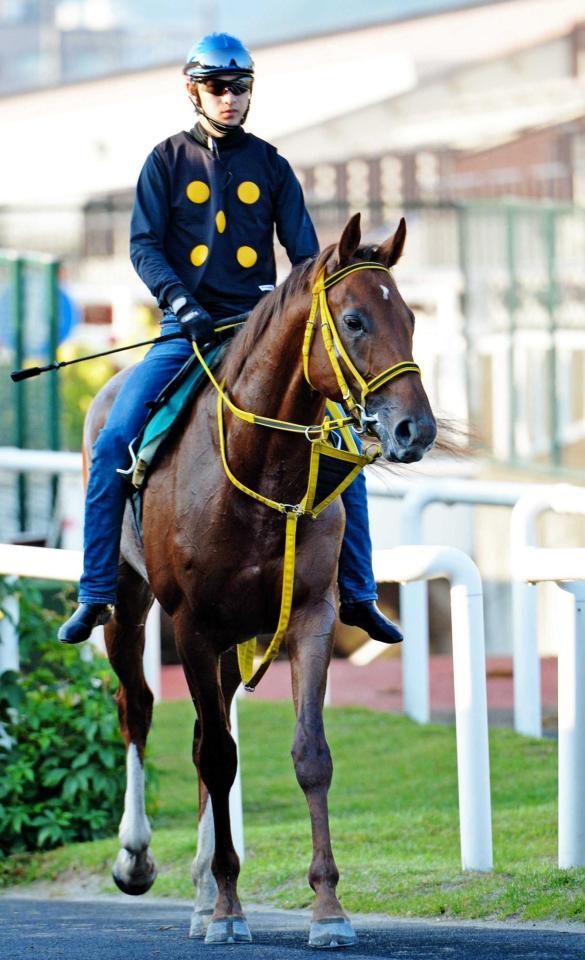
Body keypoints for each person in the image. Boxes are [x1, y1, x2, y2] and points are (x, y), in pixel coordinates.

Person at [58, 32, 402, 646]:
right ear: (194, 90)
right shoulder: (164, 160)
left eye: (240, 87)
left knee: (345, 448)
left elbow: (306, 261)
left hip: (257, 332)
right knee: (113, 439)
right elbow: (143, 245)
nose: (230, 98)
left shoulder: (272, 164)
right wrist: (179, 299)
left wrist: (328, 292)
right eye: (218, 87)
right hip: (182, 331)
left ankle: (358, 593)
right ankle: (96, 592)